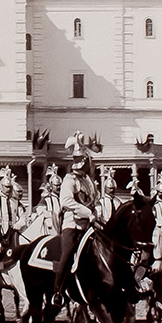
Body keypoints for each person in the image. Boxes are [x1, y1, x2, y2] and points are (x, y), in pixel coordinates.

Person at [53, 131, 97, 307]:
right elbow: (66, 201)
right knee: (68, 253)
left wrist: (96, 213)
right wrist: (87, 212)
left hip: (89, 226)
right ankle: (58, 290)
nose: (89, 164)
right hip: (72, 225)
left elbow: (95, 199)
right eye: (87, 161)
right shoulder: (69, 179)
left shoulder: (88, 181)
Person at [35, 164, 62, 236]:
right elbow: (39, 210)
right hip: (50, 229)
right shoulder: (46, 199)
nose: (58, 187)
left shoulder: (62, 198)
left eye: (59, 185)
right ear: (51, 185)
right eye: (56, 185)